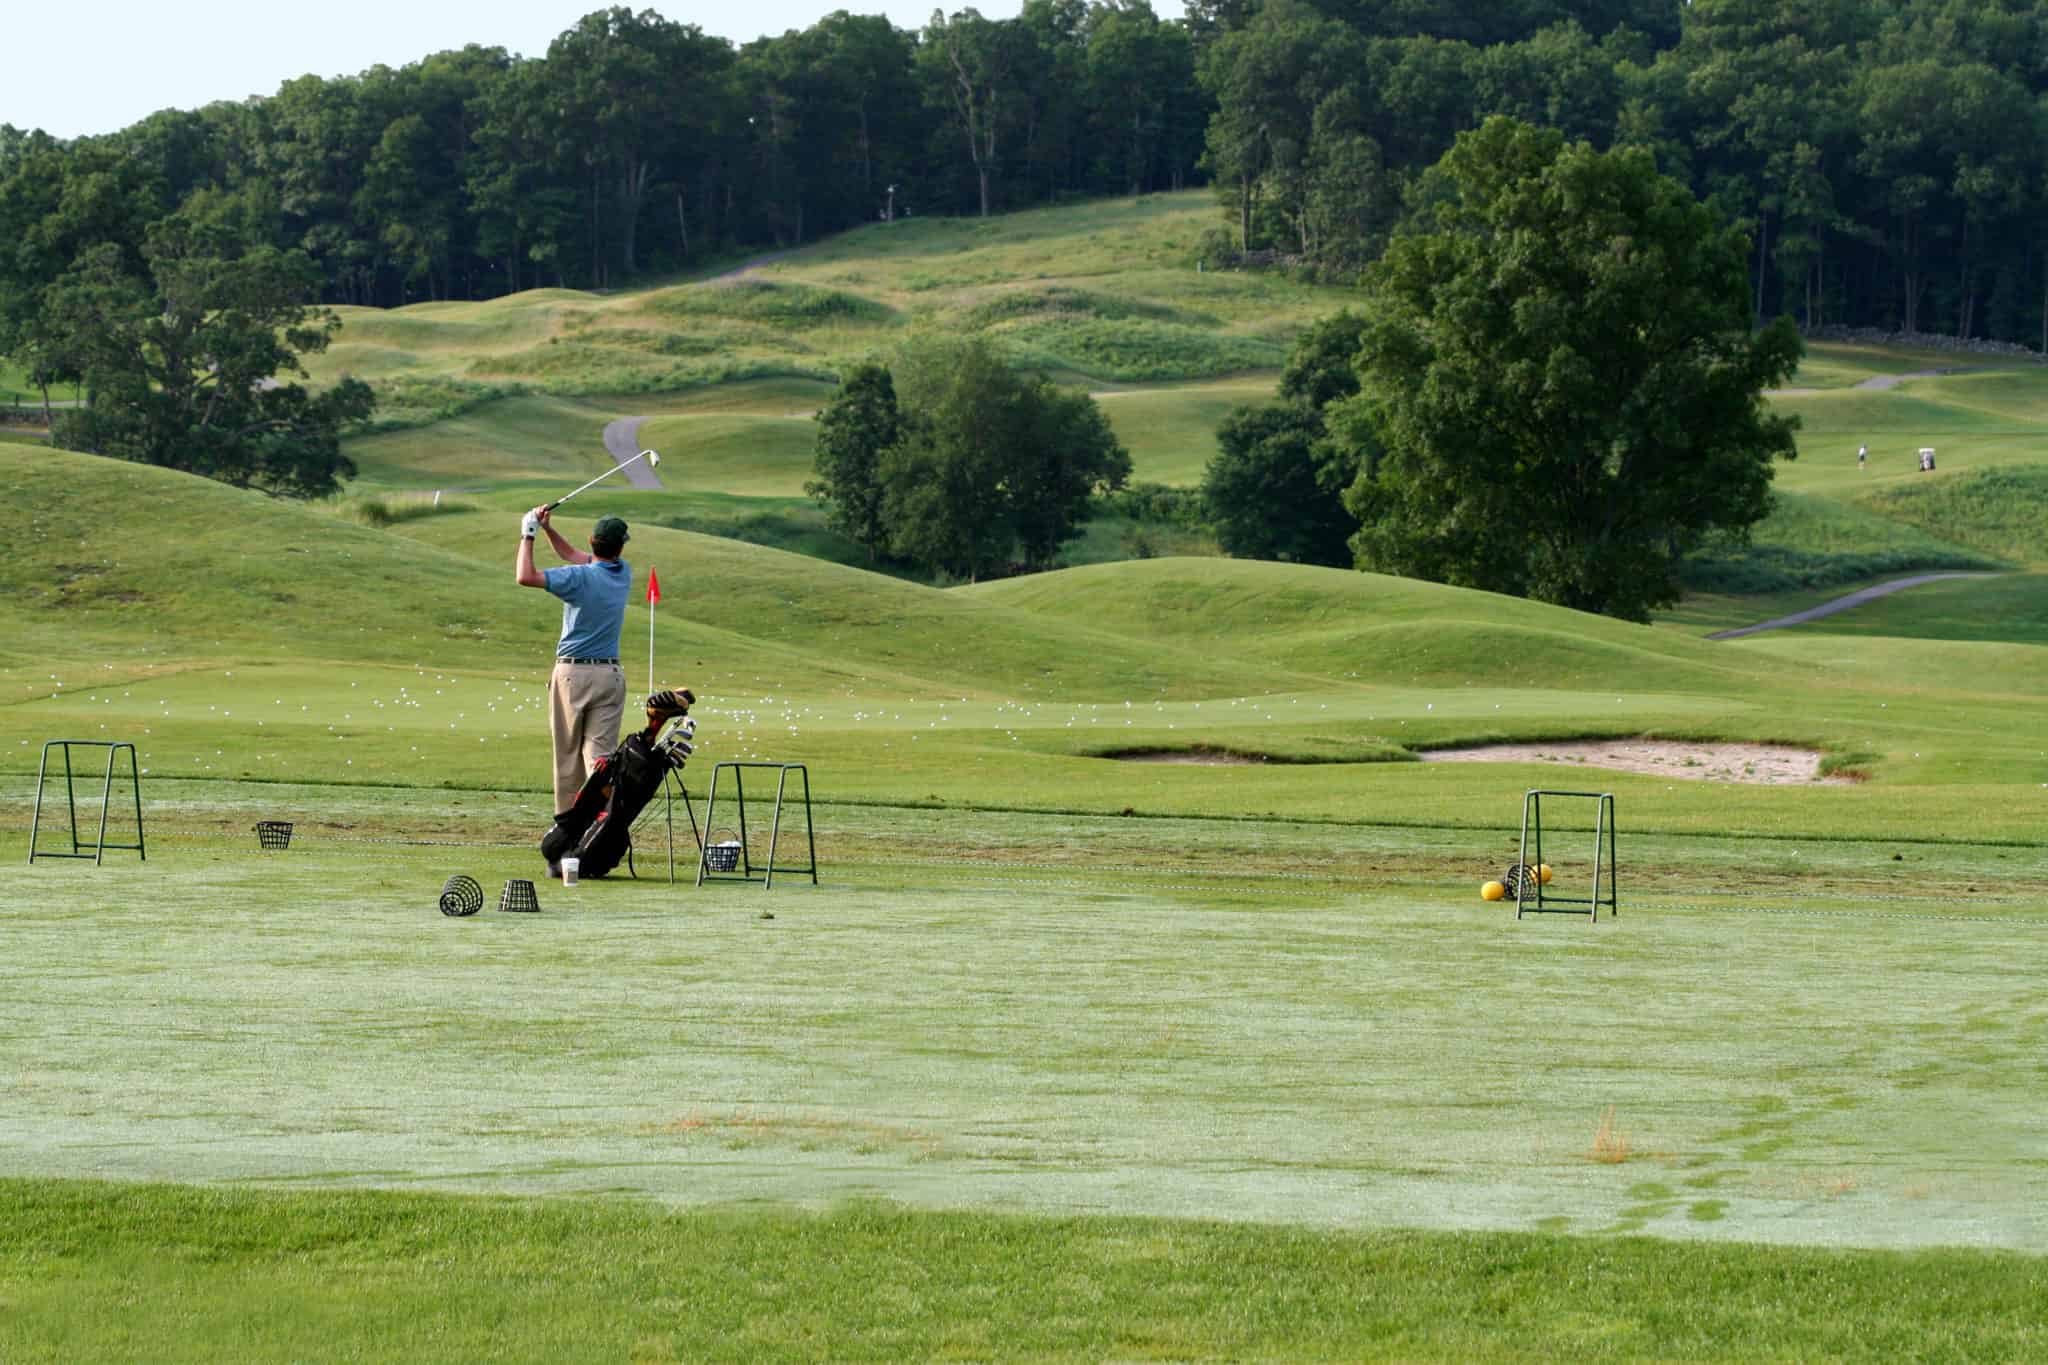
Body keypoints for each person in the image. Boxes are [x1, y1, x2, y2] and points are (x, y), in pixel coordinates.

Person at [515, 506, 633, 813]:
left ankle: (569, 833)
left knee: (568, 759)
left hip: (573, 675)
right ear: (620, 547)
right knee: (600, 759)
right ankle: (600, 824)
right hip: (610, 675)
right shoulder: (623, 573)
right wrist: (549, 529)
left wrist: (528, 534)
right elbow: (573, 555)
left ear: (592, 539)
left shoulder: (578, 578)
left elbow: (525, 577)